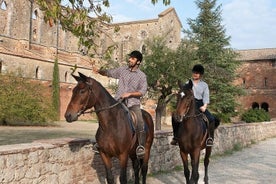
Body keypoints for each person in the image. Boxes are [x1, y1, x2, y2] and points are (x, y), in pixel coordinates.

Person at [94, 50, 148, 157]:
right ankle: (99, 143)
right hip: (118, 102)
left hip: (133, 104)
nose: (130, 60)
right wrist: (99, 71)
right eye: (130, 58)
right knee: (104, 117)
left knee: (140, 122)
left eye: (132, 58)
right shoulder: (122, 70)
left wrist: (129, 94)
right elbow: (110, 73)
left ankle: (140, 147)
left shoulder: (142, 76)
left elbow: (142, 91)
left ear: (138, 62)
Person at [171, 64, 217, 147]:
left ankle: (210, 138)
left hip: (199, 103)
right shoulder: (187, 83)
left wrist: (204, 106)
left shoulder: (204, 85)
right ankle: (176, 137)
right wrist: (180, 94)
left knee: (211, 118)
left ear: (200, 75)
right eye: (194, 72)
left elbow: (206, 97)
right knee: (175, 117)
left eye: (197, 73)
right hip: (187, 103)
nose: (195, 74)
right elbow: (183, 93)